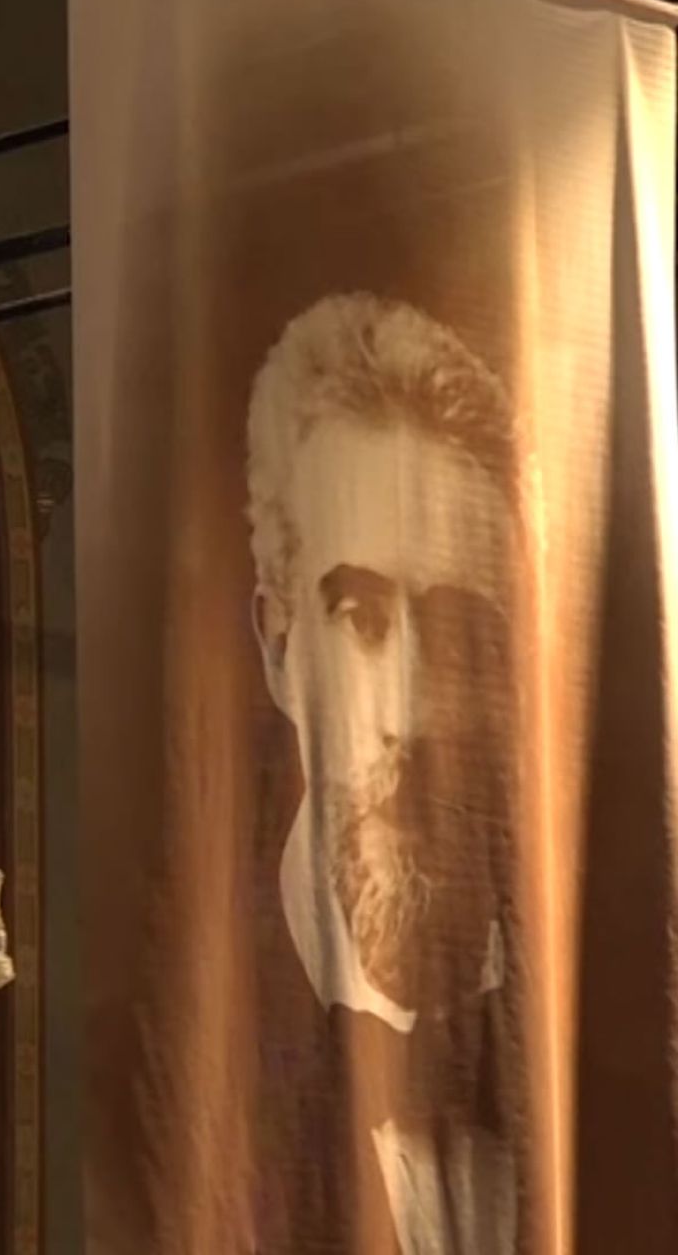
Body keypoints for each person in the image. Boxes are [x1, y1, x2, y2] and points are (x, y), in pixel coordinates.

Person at [241, 291, 525, 1253]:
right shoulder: (192, 1051)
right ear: (279, 644)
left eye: (461, 637)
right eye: (362, 618)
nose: (407, 711)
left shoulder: (608, 1029)